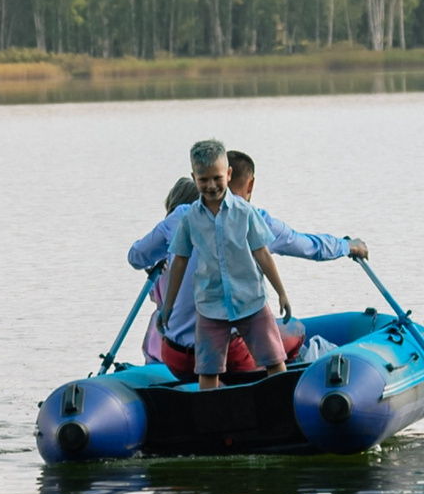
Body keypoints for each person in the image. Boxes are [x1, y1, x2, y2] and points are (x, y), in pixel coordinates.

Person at [129, 152, 367, 377]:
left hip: (175, 353)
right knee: (294, 330)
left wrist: (160, 258)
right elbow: (309, 246)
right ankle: (284, 385)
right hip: (229, 352)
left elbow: (136, 256)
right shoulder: (253, 217)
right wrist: (348, 246)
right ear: (247, 184)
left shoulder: (181, 216)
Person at [157, 139, 291, 390]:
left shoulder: (245, 212)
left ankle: (283, 401)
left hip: (251, 300)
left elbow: (262, 254)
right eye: (203, 179)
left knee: (274, 359)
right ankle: (209, 411)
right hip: (210, 305)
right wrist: (168, 306)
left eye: (217, 178)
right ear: (194, 178)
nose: (211, 185)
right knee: (208, 370)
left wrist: (281, 293)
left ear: (228, 174)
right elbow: (179, 263)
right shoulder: (189, 219)